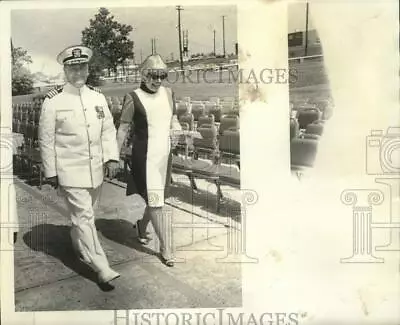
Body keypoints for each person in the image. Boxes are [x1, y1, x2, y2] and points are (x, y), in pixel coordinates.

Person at [38, 45, 120, 284]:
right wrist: (51, 171)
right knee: (84, 217)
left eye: (82, 67)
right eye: (73, 68)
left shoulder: (97, 97)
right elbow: (46, 139)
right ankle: (102, 267)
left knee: (86, 216)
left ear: (88, 68)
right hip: (69, 171)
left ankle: (79, 247)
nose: (78, 72)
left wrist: (111, 157)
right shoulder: (53, 101)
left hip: (95, 170)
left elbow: (107, 130)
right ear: (65, 69)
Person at [116, 54, 182, 267]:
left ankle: (141, 227)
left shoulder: (169, 93)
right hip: (145, 158)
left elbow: (173, 118)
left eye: (162, 76)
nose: (158, 80)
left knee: (157, 199)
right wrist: (113, 156)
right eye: (153, 76)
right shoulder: (132, 97)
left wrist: (177, 128)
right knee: (155, 201)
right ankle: (166, 247)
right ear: (143, 75)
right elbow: (123, 129)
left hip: (165, 155)